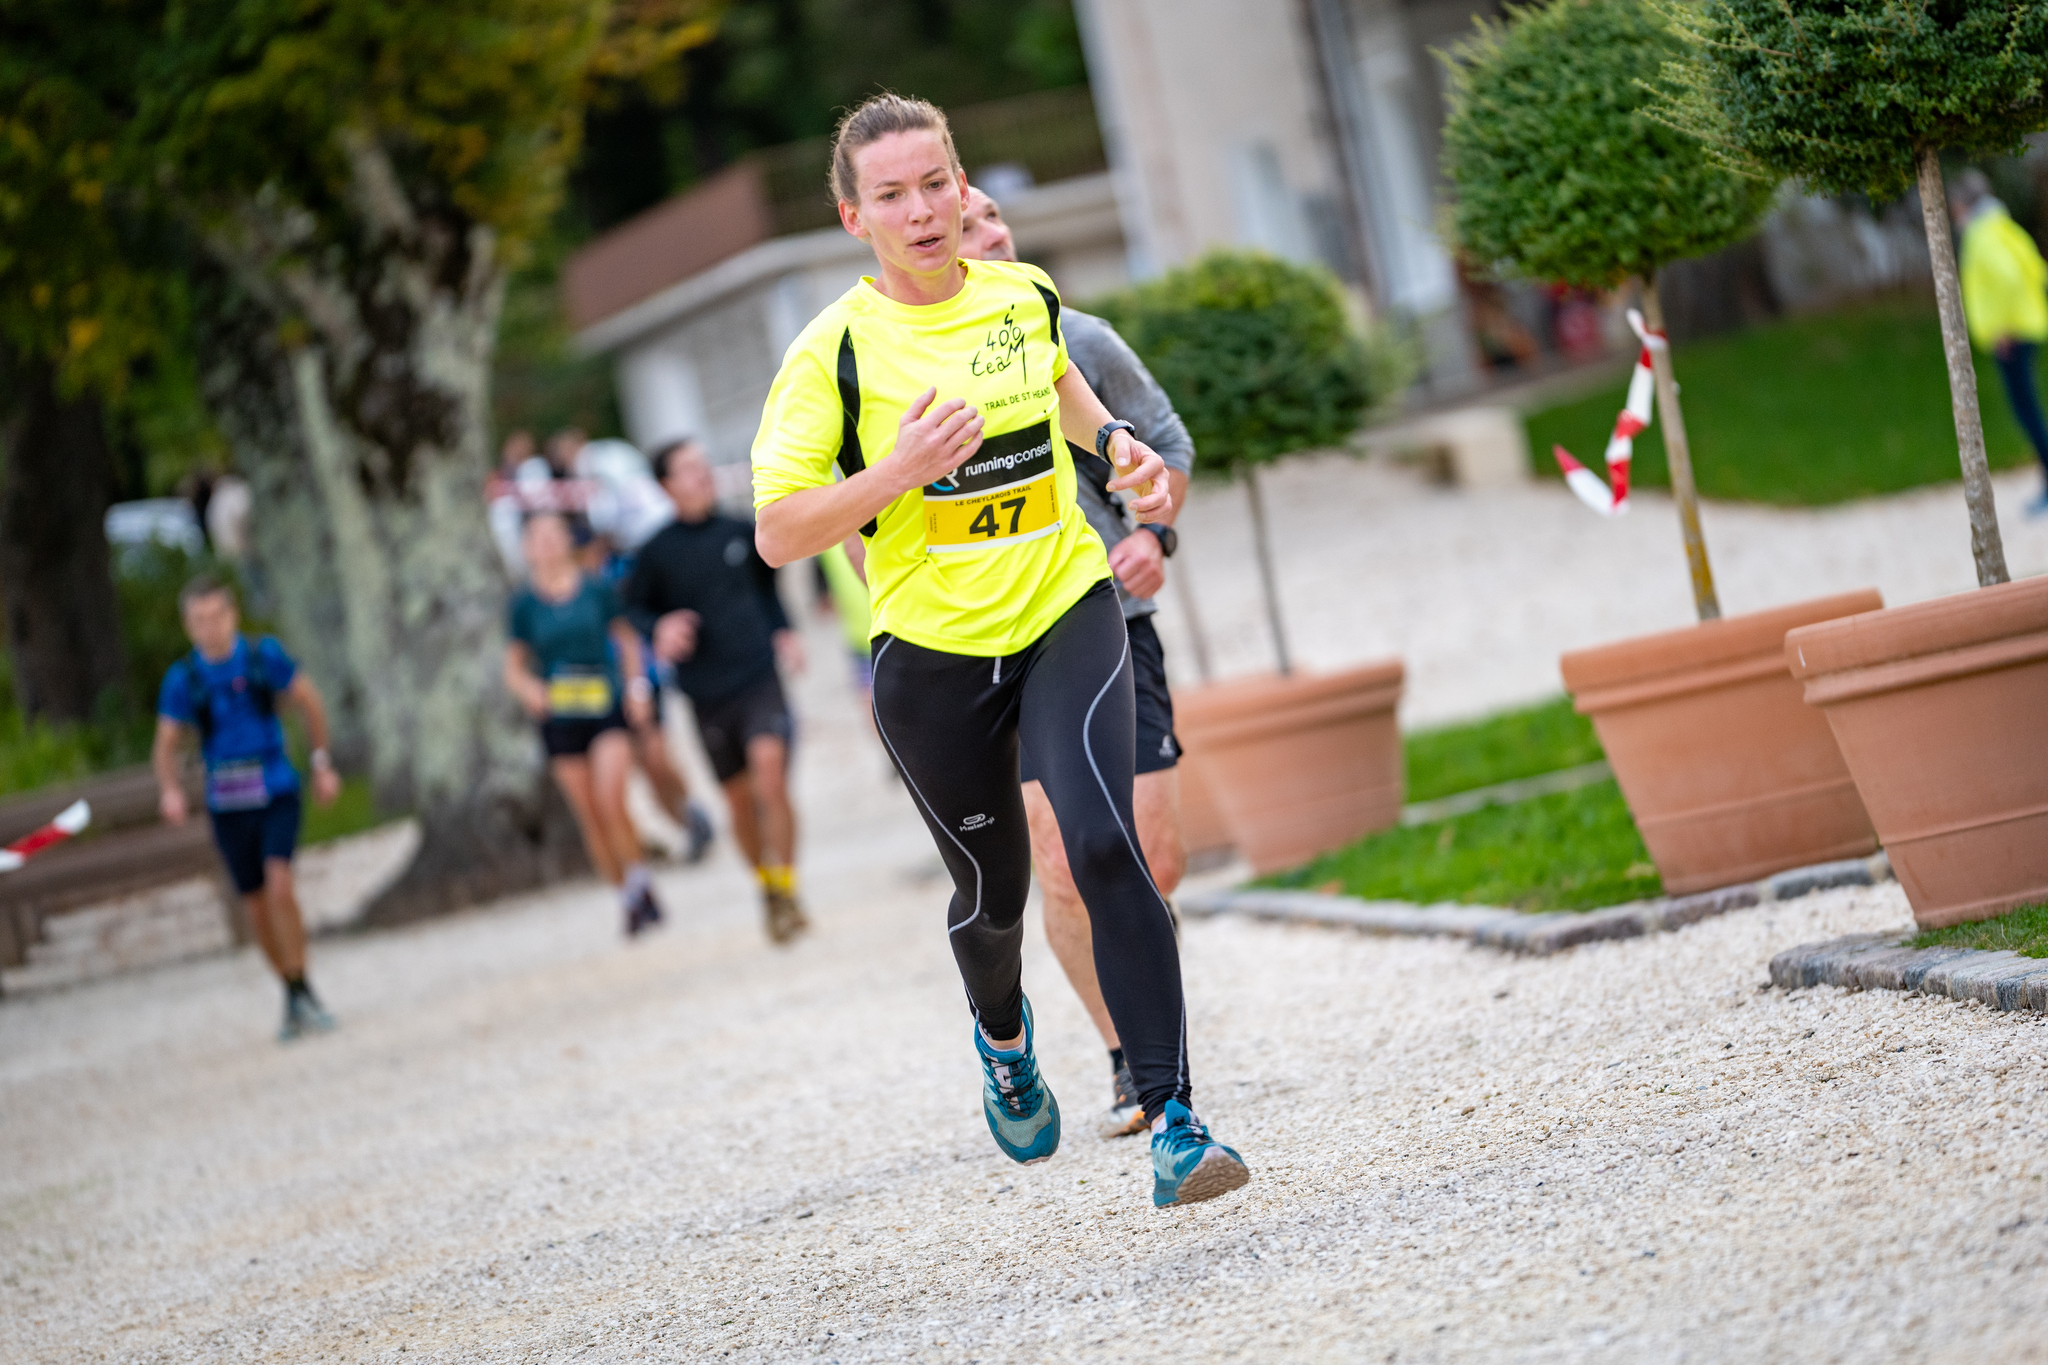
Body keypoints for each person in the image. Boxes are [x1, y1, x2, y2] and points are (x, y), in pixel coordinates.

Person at [751, 93, 1249, 1208]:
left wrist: (1117, 445)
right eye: (892, 195)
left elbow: (1065, 395)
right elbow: (779, 531)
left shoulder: (1024, 296)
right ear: (854, 217)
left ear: (959, 183)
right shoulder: (831, 351)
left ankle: (1174, 1120)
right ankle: (1004, 1036)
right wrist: (898, 472)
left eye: (936, 184)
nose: (922, 211)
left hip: (1064, 605)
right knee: (994, 899)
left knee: (1107, 844)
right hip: (933, 657)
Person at [958, 186, 1197, 1140]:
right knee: (1061, 860)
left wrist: (1153, 536)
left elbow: (1165, 447)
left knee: (1154, 855)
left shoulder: (1078, 339)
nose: (991, 233)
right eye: (968, 226)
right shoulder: (903, 366)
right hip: (998, 645)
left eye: (991, 216)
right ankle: (1131, 1060)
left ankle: (1150, 1016)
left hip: (1113, 622)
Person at [626, 439, 810, 943]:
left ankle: (788, 886)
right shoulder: (655, 552)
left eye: (703, 465)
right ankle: (767, 886)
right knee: (739, 802)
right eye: (688, 469)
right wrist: (659, 628)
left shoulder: (739, 530)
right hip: (706, 692)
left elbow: (768, 591)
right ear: (666, 486)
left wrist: (786, 632)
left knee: (771, 778)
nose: (702, 474)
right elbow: (633, 611)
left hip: (759, 676)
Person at [154, 576, 344, 1042]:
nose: (211, 627)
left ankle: (302, 984)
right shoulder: (184, 679)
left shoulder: (263, 657)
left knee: (281, 884)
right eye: (200, 620)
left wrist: (321, 763)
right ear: (188, 626)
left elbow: (310, 701)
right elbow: (166, 743)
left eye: (217, 616)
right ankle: (292, 990)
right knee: (256, 906)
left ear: (232, 615)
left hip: (275, 788)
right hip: (228, 802)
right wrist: (170, 790)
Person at [505, 510, 667, 936]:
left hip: (604, 706)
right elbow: (514, 666)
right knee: (591, 814)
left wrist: (636, 688)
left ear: (566, 540)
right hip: (560, 715)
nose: (546, 544)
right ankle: (626, 896)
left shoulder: (596, 588)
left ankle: (640, 879)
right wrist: (530, 690)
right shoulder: (523, 605)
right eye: (537, 537)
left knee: (611, 799)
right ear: (526, 548)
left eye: (553, 534)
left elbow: (627, 640)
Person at [1953, 168, 2048, 516]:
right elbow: (2036, 269)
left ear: (1963, 204)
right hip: (2029, 327)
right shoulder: (2003, 225)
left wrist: (2002, 327)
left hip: (2012, 336)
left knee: (2026, 409)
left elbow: (2007, 277)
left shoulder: (1981, 234)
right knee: (2029, 406)